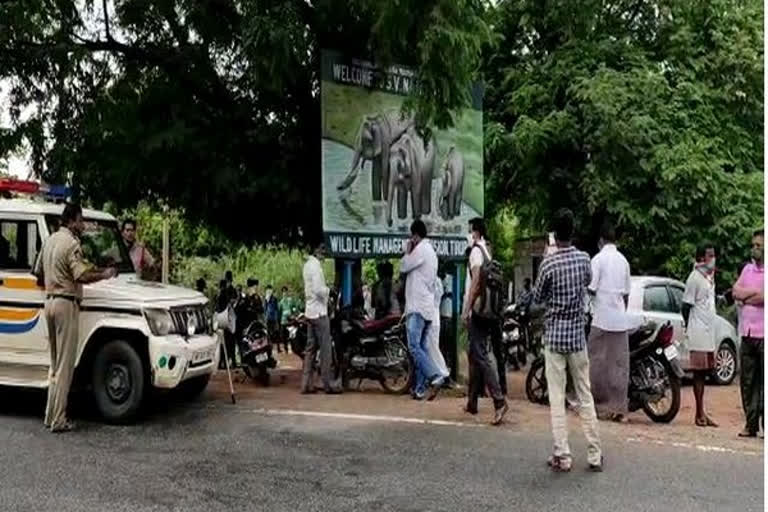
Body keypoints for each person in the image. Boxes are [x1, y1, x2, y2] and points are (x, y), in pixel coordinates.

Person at [34, 203, 118, 433]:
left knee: (54, 362)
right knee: (65, 365)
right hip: (65, 303)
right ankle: (59, 419)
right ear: (72, 221)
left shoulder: (50, 240)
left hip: (49, 302)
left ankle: (49, 414)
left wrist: (54, 282)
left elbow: (38, 273)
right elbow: (81, 274)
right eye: (81, 221)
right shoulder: (71, 243)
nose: (82, 225)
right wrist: (104, 274)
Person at [532, 208, 602, 472]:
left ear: (554, 234)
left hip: (554, 337)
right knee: (585, 394)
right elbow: (589, 282)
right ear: (573, 232)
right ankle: (595, 453)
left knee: (557, 397)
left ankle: (563, 454)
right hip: (576, 337)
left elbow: (538, 297)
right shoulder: (584, 259)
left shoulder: (548, 263)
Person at [462, 217, 508, 423]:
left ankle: (499, 400)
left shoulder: (475, 252)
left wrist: (466, 309)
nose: (468, 234)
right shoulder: (487, 250)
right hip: (490, 311)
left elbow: (475, 284)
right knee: (474, 353)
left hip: (479, 311)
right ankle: (472, 402)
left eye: (470, 230)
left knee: (480, 355)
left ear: (476, 232)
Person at [587, 221, 632, 422]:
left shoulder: (597, 260)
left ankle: (598, 406)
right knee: (619, 366)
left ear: (601, 241)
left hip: (601, 319)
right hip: (619, 321)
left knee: (596, 363)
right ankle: (619, 408)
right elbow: (626, 295)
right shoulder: (624, 261)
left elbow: (591, 287)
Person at [400, 220, 444, 400]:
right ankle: (419, 388)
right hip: (427, 308)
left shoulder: (420, 250)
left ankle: (435, 375)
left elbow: (403, 266)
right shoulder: (431, 252)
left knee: (413, 347)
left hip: (417, 307)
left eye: (412, 236)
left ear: (415, 235)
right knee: (422, 349)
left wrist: (408, 250)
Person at [682, 243, 719, 428]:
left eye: (714, 255)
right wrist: (689, 328)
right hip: (698, 332)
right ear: (701, 258)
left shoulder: (709, 278)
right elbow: (686, 306)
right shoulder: (694, 278)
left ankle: (703, 411)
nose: (713, 259)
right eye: (709, 255)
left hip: (708, 332)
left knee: (705, 375)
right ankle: (698, 414)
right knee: (698, 374)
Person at [732, 229, 764, 438]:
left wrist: (747, 297)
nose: (755, 249)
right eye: (753, 245)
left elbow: (764, 298)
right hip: (747, 333)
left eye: (759, 246)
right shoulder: (747, 270)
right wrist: (751, 295)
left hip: (764, 335)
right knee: (748, 381)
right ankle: (750, 425)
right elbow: (735, 291)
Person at [302, 242, 341, 394]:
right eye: (322, 249)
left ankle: (306, 385)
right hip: (319, 312)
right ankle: (328, 385)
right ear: (316, 250)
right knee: (325, 350)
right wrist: (329, 291)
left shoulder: (307, 265)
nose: (324, 252)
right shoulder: (316, 266)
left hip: (309, 311)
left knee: (310, 350)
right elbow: (318, 290)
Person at [426, 274, 450, 382]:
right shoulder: (438, 280)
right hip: (434, 317)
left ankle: (442, 373)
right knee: (432, 347)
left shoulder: (431, 279)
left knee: (431, 348)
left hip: (430, 317)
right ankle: (437, 373)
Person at [279, 286, 300, 352]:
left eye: (285, 292)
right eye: (283, 292)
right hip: (283, 321)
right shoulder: (281, 302)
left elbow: (294, 308)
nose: (284, 293)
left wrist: (294, 314)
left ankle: (293, 348)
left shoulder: (291, 300)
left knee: (291, 335)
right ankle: (286, 348)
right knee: (283, 336)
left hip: (290, 321)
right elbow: (279, 311)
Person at [264, 284, 281, 351]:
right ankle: (269, 348)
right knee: (268, 333)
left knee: (276, 332)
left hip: (274, 317)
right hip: (268, 317)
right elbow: (265, 308)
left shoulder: (274, 298)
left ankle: (278, 347)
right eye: (268, 289)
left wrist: (277, 317)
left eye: (270, 289)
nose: (269, 291)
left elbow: (277, 308)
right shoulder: (265, 299)